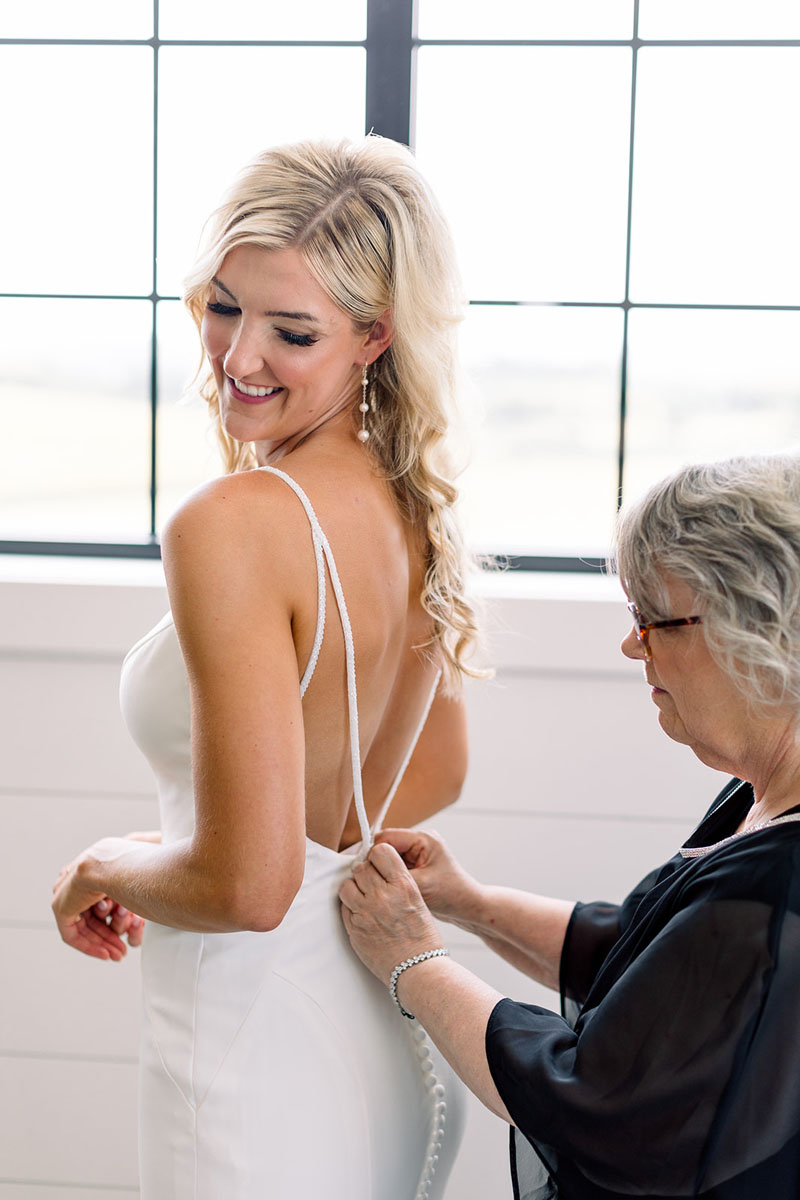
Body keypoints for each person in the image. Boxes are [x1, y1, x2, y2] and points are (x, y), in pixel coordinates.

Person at [50, 135, 482, 1198]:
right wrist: (224, 835)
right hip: (376, 1033)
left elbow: (248, 887)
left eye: (291, 331)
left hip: (249, 1059)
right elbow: (422, 781)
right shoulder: (409, 509)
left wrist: (106, 865)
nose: (239, 358)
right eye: (223, 306)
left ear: (373, 337)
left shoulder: (235, 524)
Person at [340, 453, 800, 1199]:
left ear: (761, 625)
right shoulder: (756, 800)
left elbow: (582, 1093)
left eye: (657, 620)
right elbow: (642, 959)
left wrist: (412, 958)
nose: (633, 643)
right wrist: (468, 901)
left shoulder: (782, 876)